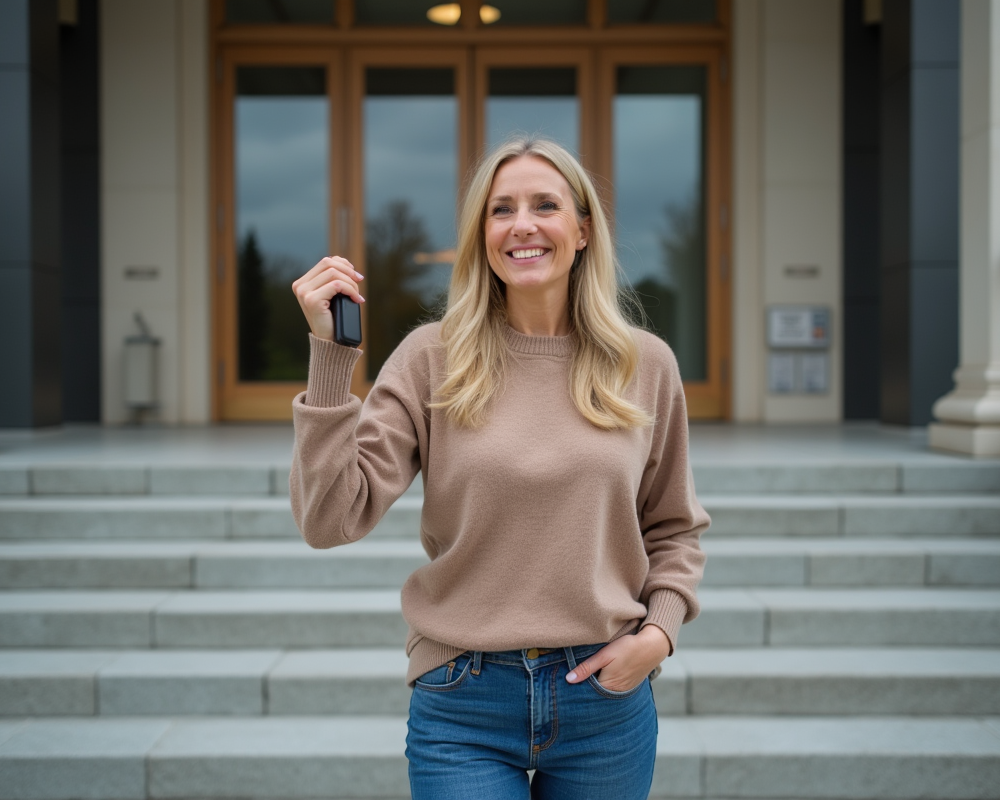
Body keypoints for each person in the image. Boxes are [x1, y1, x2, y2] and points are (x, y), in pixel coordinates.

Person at [289, 135, 709, 799]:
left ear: (582, 229)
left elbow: (674, 528)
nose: (522, 225)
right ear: (480, 233)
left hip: (604, 699)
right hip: (465, 698)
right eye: (500, 209)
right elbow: (329, 519)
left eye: (545, 205)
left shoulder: (644, 364)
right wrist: (330, 359)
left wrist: (658, 633)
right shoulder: (432, 357)